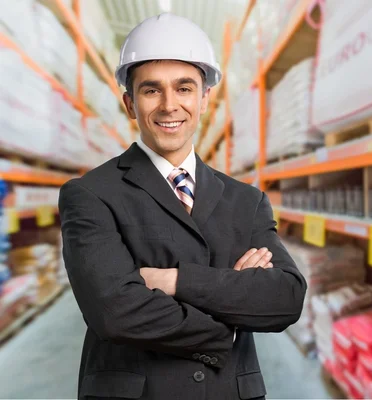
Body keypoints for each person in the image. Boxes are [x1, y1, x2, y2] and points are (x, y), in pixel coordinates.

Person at [58, 13, 307, 400]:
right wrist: (230, 321)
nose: (169, 106)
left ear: (205, 98)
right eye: (151, 90)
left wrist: (174, 282)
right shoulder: (91, 194)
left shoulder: (246, 200)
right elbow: (115, 311)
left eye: (185, 88)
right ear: (129, 103)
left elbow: (285, 298)